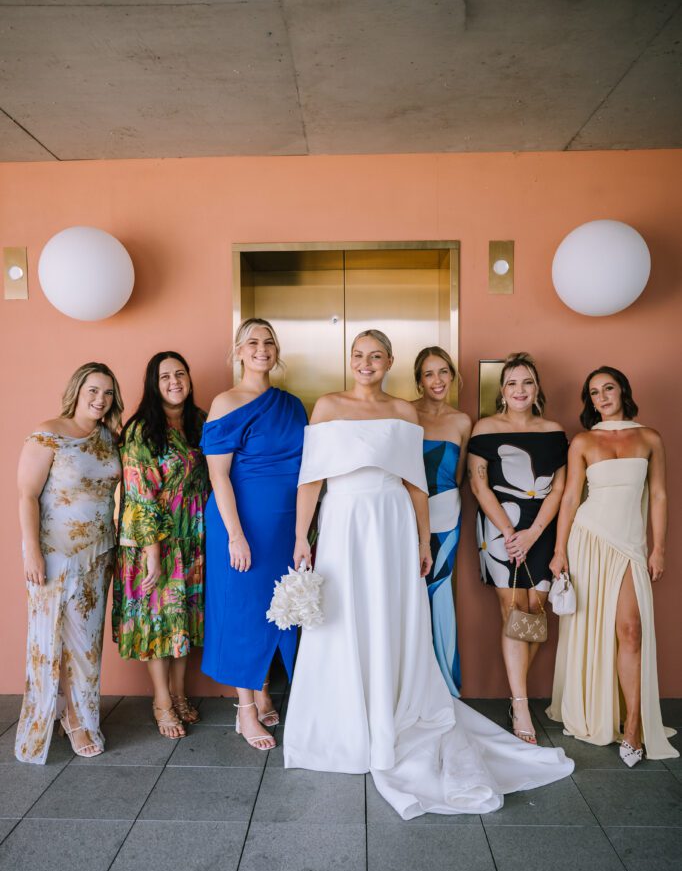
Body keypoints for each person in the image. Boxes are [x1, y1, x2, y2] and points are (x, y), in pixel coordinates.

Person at [284, 331, 573, 820]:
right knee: (345, 612)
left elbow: (416, 483)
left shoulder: (403, 412)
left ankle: (393, 703)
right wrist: (301, 537)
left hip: (392, 518)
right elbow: (311, 477)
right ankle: (345, 714)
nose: (366, 362)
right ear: (349, 361)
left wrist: (422, 539)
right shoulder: (328, 406)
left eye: (376, 356)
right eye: (358, 355)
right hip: (344, 519)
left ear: (390, 362)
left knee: (390, 611)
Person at [547, 366, 678, 764]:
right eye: (594, 393)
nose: (602, 397)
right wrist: (559, 550)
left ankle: (633, 727)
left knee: (631, 630)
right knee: (593, 628)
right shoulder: (584, 440)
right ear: (589, 401)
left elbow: (657, 495)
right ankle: (596, 710)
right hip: (588, 539)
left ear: (623, 391)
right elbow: (570, 498)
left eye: (608, 388)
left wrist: (659, 549)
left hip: (629, 545)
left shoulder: (650, 437)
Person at [201, 319, 307, 750]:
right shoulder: (226, 402)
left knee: (277, 607)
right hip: (240, 522)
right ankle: (245, 711)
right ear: (239, 351)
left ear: (276, 351)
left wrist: (303, 531)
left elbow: (307, 473)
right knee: (244, 610)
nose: (261, 349)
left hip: (284, 525)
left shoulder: (294, 404)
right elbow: (219, 476)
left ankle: (263, 690)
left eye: (268, 342)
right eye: (252, 343)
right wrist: (234, 535)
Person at [15, 362, 123, 762]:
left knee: (86, 643)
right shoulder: (49, 433)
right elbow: (26, 494)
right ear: (77, 390)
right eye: (94, 390)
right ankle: (66, 718)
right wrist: (32, 552)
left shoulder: (109, 438)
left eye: (108, 393)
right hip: (54, 555)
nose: (100, 399)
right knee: (51, 638)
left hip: (99, 555)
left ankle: (79, 713)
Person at [467, 352, 567, 745]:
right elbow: (479, 484)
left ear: (537, 388)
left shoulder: (555, 430)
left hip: (543, 527)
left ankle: (517, 692)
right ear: (502, 391)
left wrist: (534, 532)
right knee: (512, 611)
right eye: (512, 383)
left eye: (527, 382)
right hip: (498, 530)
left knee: (536, 614)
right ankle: (521, 704)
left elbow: (560, 487)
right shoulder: (485, 428)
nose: (520, 390)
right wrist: (511, 532)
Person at [112, 352, 209, 739]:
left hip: (193, 540)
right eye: (165, 376)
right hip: (153, 542)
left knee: (183, 619)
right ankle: (161, 700)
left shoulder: (200, 422)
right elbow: (139, 495)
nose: (174, 382)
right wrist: (153, 552)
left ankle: (181, 693)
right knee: (158, 623)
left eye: (180, 374)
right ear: (154, 383)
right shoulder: (141, 430)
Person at [412, 346, 471, 696]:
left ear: (452, 375)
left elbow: (459, 476)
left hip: (446, 514)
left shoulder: (462, 421)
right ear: (419, 380)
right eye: (429, 373)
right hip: (405, 514)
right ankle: (411, 682)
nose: (437, 380)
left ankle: (443, 685)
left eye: (443, 372)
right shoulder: (404, 413)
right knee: (408, 592)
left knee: (439, 591)